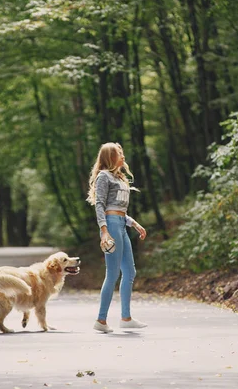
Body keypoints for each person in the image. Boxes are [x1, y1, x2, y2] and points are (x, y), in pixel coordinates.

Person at [86, 142, 148, 333]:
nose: (123, 156)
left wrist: (134, 224)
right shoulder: (104, 176)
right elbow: (100, 205)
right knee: (112, 274)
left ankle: (126, 318)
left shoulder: (120, 178)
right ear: (110, 157)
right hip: (111, 226)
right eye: (118, 153)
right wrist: (104, 230)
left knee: (129, 272)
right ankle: (101, 320)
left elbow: (120, 210)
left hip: (121, 224)